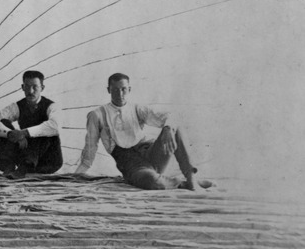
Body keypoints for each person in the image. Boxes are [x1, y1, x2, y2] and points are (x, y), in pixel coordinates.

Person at [75, 73, 213, 190]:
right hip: (129, 161)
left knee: (174, 127)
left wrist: (167, 128)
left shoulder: (137, 109)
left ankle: (191, 177)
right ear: (108, 90)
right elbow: (90, 147)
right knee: (154, 182)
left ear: (129, 89)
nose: (120, 93)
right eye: (115, 89)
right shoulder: (97, 114)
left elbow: (170, 116)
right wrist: (78, 174)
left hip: (150, 152)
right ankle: (182, 184)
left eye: (123, 89)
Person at [0, 70, 64, 179]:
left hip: (48, 162)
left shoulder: (51, 106)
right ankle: (9, 166)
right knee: (3, 122)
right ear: (22, 87)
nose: (30, 91)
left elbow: (55, 126)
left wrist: (24, 133)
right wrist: (10, 134)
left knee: (45, 127)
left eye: (35, 87)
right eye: (27, 87)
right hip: (25, 157)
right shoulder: (17, 106)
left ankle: (24, 168)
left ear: (42, 88)